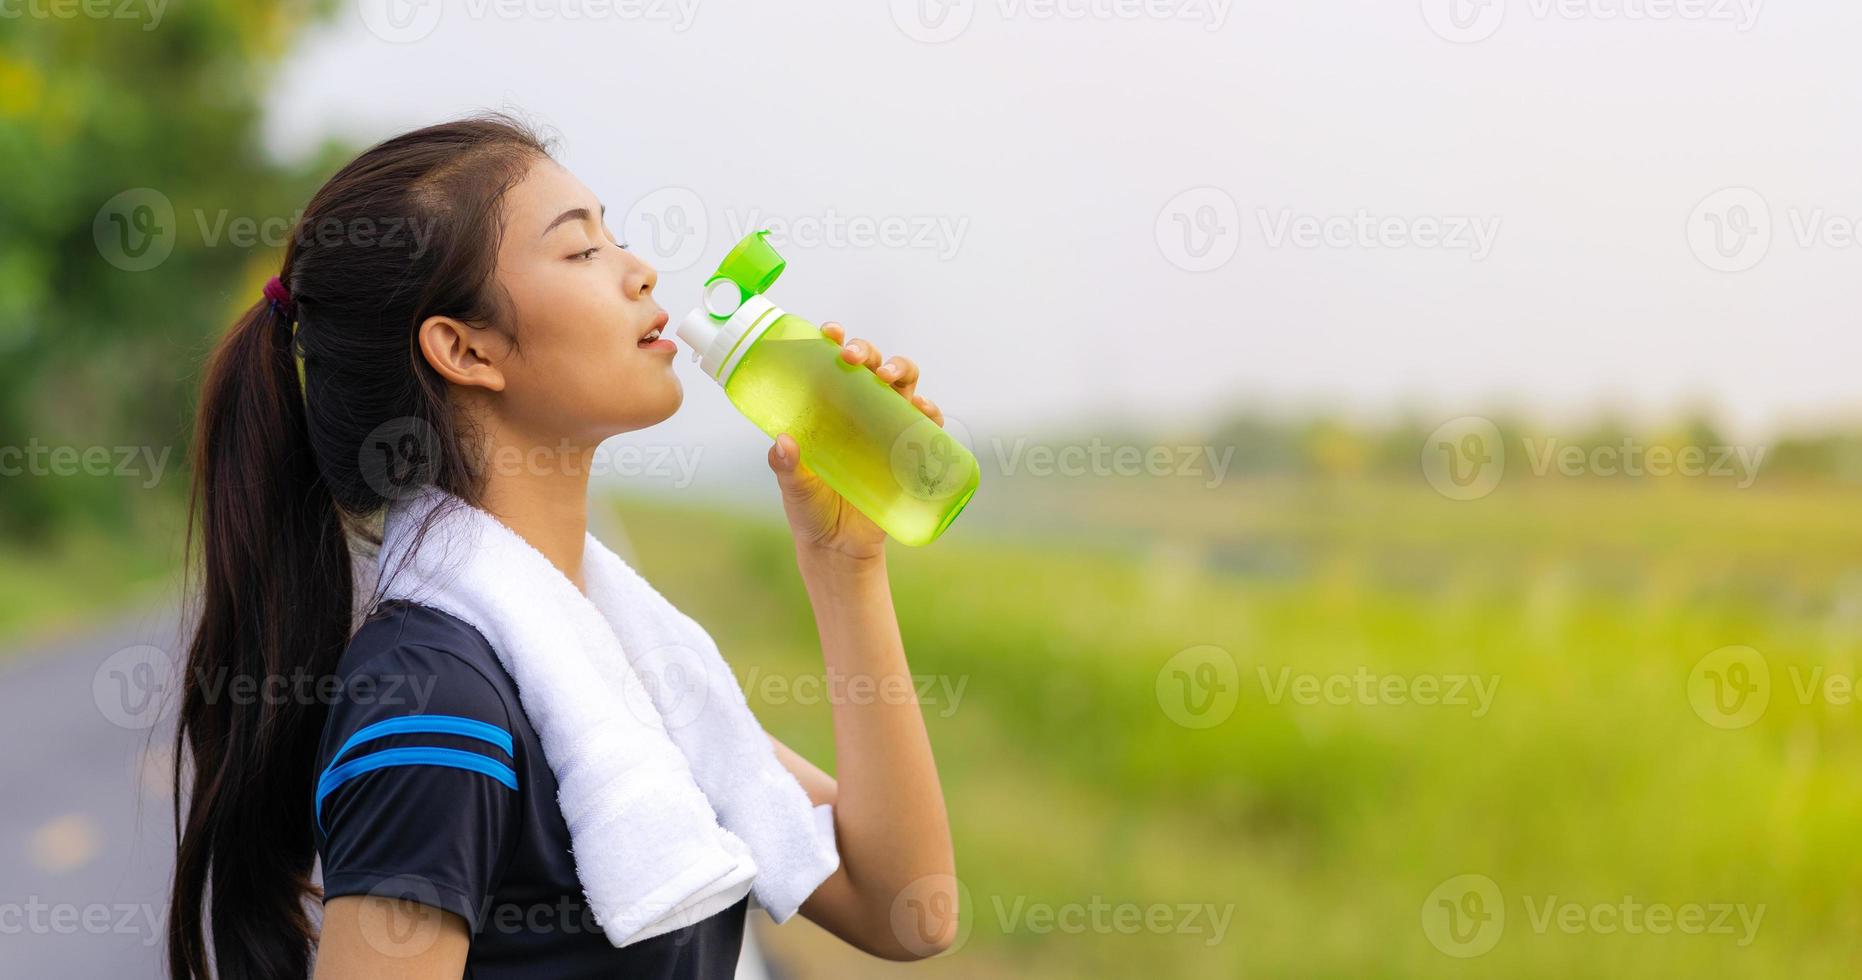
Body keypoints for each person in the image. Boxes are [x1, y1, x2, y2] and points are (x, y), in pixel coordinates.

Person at [167, 115, 957, 979]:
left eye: (613, 238)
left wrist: (848, 566)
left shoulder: (608, 660)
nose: (639, 269)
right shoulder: (433, 704)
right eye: (582, 251)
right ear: (466, 349)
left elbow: (905, 911)